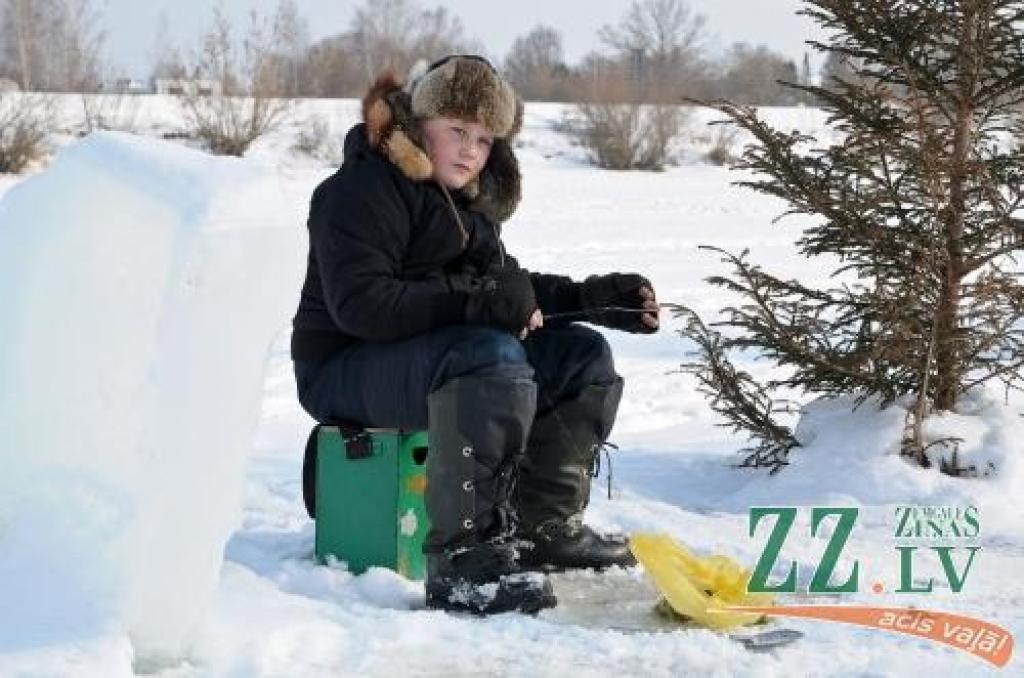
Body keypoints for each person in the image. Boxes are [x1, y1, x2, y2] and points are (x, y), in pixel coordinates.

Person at [291, 55, 660, 615]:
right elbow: (363, 307)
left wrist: (594, 298)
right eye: (457, 131)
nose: (470, 150)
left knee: (580, 356)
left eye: (485, 139)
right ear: (420, 125)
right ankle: (464, 559)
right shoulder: (359, 189)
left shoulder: (465, 206)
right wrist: (478, 303)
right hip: (344, 366)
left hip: (430, 359)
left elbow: (505, 290)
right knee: (489, 356)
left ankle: (544, 528)